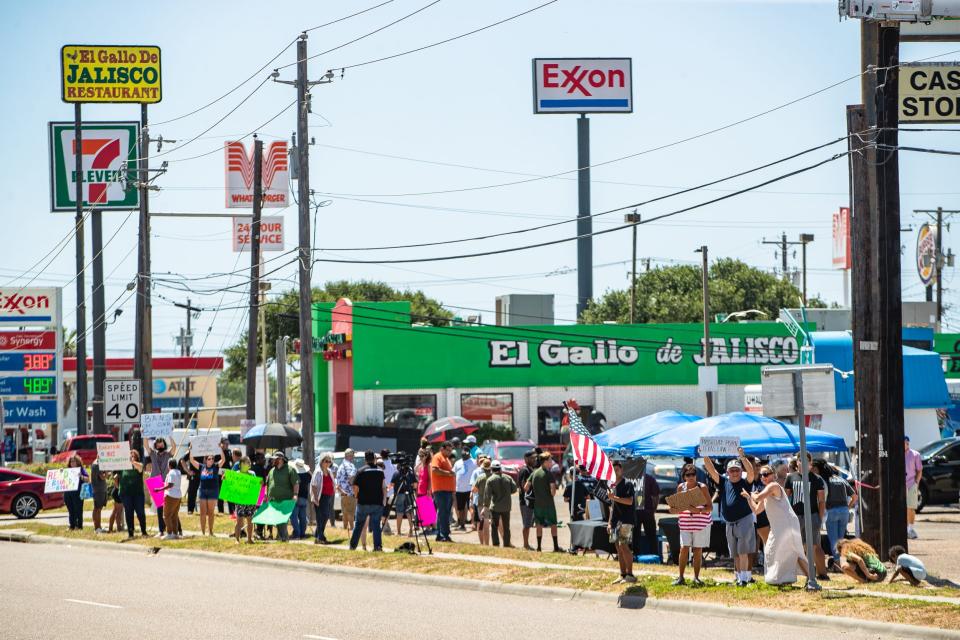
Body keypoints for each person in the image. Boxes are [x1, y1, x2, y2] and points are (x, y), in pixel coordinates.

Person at [742, 464, 809, 586]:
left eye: (766, 474)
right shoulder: (767, 490)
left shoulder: (773, 486)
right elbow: (757, 510)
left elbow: (757, 497)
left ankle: (810, 579)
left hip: (787, 524)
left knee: (794, 551)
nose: (763, 477)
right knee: (771, 550)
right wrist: (748, 498)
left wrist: (751, 493)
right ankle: (781, 579)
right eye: (762, 475)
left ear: (773, 475)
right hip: (778, 526)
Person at [704, 448, 756, 586]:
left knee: (743, 551)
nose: (734, 473)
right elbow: (711, 470)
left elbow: (751, 473)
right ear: (727, 472)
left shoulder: (746, 482)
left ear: (740, 471)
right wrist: (705, 455)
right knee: (735, 554)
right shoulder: (724, 481)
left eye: (737, 470)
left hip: (744, 519)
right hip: (729, 522)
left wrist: (743, 457)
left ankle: (744, 579)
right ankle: (739, 578)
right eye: (732, 470)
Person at [786, 454, 828, 579]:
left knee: (814, 546)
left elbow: (821, 501)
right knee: (800, 546)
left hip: (812, 515)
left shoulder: (816, 478)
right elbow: (787, 499)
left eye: (807, 460)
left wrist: (820, 518)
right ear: (797, 462)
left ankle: (822, 573)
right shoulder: (791, 478)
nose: (803, 463)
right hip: (796, 516)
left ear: (810, 463)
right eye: (801, 460)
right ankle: (810, 573)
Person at [671, 463, 712, 586]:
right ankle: (681, 577)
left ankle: (696, 577)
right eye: (688, 475)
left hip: (700, 523)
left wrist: (698, 510)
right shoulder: (680, 487)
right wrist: (673, 508)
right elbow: (676, 507)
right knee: (684, 549)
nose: (691, 477)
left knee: (697, 550)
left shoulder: (702, 487)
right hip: (685, 523)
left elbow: (709, 507)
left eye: (693, 474)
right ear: (684, 476)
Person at [818, 460, 857, 570]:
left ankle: (837, 564)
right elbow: (855, 497)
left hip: (831, 511)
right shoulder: (842, 480)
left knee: (834, 540)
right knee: (841, 539)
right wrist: (847, 508)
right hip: (844, 511)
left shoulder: (825, 481)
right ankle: (843, 561)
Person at [524, 452, 561, 553]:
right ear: (545, 462)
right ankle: (556, 547)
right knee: (553, 524)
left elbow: (526, 487)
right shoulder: (549, 474)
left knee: (539, 525)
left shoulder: (534, 473)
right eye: (549, 460)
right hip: (549, 504)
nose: (551, 462)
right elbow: (553, 492)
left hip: (538, 504)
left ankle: (539, 547)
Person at [350, 450, 386, 551]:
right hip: (377, 502)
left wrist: (356, 497)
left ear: (365, 460)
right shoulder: (380, 471)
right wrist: (384, 499)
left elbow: (355, 487)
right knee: (376, 526)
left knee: (359, 525)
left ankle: (353, 546)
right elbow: (383, 487)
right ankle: (377, 547)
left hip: (363, 502)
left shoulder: (361, 471)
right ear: (374, 459)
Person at [608, 461, 637, 584]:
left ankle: (630, 574)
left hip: (626, 520)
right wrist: (609, 522)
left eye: (617, 469)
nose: (615, 472)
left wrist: (614, 497)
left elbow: (630, 501)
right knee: (618, 548)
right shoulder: (612, 486)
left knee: (623, 545)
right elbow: (612, 506)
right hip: (615, 521)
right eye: (613, 470)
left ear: (621, 470)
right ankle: (622, 574)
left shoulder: (628, 484)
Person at [189, 449, 226, 536]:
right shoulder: (202, 466)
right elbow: (191, 460)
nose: (211, 460)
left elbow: (223, 460)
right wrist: (192, 449)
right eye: (209, 459)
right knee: (202, 513)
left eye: (213, 458)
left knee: (210, 512)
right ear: (205, 460)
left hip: (213, 491)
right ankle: (203, 532)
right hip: (202, 491)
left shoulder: (216, 466)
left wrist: (219, 448)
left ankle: (210, 531)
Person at [146, 437, 176, 536]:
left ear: (164, 444)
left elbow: (174, 447)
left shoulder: (168, 454)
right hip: (155, 482)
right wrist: (144, 434)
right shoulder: (153, 454)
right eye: (158, 444)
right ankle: (161, 530)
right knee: (159, 508)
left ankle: (175, 529)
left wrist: (170, 435)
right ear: (155, 445)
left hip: (166, 482)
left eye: (161, 443)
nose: (160, 445)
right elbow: (145, 445)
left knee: (168, 507)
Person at [483, 460, 517, 547]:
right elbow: (514, 489)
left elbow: (487, 496)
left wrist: (485, 507)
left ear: (492, 469)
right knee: (506, 527)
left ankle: (496, 544)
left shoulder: (490, 480)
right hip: (506, 507)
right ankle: (506, 544)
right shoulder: (508, 478)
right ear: (500, 468)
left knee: (494, 526)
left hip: (495, 507)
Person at [266, 451, 298, 542]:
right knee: (277, 519)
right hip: (273, 500)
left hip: (285, 500)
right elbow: (267, 484)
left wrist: (295, 495)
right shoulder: (271, 471)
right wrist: (265, 495)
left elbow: (296, 483)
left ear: (280, 460)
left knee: (282, 519)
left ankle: (284, 538)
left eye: (274, 459)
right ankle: (281, 537)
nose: (272, 461)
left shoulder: (290, 469)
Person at [430, 441, 456, 542]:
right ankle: (444, 535)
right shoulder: (438, 457)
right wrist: (449, 473)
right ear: (442, 449)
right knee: (443, 513)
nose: (449, 452)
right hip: (441, 490)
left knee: (444, 513)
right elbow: (435, 470)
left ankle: (440, 534)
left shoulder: (446, 458)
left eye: (450, 450)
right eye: (448, 450)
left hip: (447, 491)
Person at [119, 450, 148, 539]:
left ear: (136, 457)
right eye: (130, 455)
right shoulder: (122, 466)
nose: (131, 456)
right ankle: (130, 533)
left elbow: (140, 468)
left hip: (137, 494)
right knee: (129, 513)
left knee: (140, 513)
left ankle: (143, 531)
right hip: (126, 494)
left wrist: (132, 462)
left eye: (133, 455)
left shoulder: (139, 465)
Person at [310, 453, 336, 544]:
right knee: (321, 517)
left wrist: (334, 490)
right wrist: (316, 499)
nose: (328, 463)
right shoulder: (318, 472)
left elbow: (333, 483)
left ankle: (318, 536)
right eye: (326, 461)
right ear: (321, 462)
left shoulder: (329, 471)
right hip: (321, 497)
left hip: (329, 496)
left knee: (325, 516)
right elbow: (313, 486)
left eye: (330, 461)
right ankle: (320, 537)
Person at [636, 465, 660, 553]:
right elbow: (656, 497)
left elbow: (655, 496)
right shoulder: (650, 479)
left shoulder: (631, 479)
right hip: (648, 511)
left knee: (635, 536)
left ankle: (636, 555)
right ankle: (655, 555)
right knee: (651, 536)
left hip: (636, 512)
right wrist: (654, 509)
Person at [391, 457, 417, 537]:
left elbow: (392, 485)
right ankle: (411, 532)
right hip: (409, 493)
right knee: (409, 512)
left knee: (399, 512)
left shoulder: (396, 473)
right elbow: (415, 485)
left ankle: (398, 532)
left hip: (399, 494)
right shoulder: (411, 473)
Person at [517, 450, 537, 550]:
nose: (534, 459)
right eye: (532, 458)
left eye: (535, 458)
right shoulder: (524, 470)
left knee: (529, 524)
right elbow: (523, 486)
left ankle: (527, 544)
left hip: (531, 501)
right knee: (526, 524)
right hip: (525, 501)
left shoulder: (531, 469)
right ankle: (525, 544)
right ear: (526, 459)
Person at [63, 454, 89, 530]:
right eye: (71, 462)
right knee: (71, 510)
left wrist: (81, 476)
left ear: (78, 462)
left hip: (78, 492)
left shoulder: (81, 469)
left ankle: (79, 526)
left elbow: (87, 479)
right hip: (68, 493)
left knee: (78, 509)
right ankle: (72, 525)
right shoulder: (67, 470)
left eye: (74, 461)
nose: (72, 463)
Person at [453, 449, 477, 530]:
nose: (463, 456)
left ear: (469, 454)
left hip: (470, 489)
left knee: (471, 507)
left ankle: (474, 524)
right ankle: (462, 525)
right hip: (459, 489)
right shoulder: (457, 462)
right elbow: (453, 473)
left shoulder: (474, 462)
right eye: (462, 454)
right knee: (460, 509)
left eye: (465, 454)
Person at [905, 436, 923, 540]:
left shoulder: (915, 454)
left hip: (911, 483)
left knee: (911, 507)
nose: (906, 444)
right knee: (902, 507)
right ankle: (904, 528)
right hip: (900, 484)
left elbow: (919, 470)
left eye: (907, 442)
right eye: (904, 442)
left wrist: (916, 482)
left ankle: (910, 528)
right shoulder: (897, 453)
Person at [472, 458, 493, 545]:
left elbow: (474, 490)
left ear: (483, 468)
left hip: (482, 502)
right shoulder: (493, 476)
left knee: (483, 523)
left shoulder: (480, 477)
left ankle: (485, 543)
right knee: (491, 522)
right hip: (492, 502)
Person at [337, 448, 358, 533]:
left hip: (343, 493)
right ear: (349, 455)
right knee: (350, 512)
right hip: (349, 492)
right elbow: (351, 477)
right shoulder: (349, 465)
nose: (353, 457)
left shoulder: (341, 466)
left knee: (345, 513)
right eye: (352, 455)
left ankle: (345, 529)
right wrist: (355, 487)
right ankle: (352, 529)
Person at [290, 458, 312, 540]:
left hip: (296, 496)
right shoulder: (306, 474)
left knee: (294, 516)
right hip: (304, 497)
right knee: (303, 517)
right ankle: (302, 533)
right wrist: (308, 469)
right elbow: (312, 476)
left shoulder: (294, 473)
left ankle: (297, 533)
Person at [162, 458, 183, 540]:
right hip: (178, 496)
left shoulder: (171, 473)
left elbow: (170, 485)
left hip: (170, 496)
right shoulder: (178, 472)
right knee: (174, 516)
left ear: (169, 465)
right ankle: (175, 533)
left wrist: (160, 489)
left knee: (166, 516)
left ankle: (169, 533)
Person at [90, 457, 108, 533]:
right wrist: (107, 472)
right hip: (99, 490)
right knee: (97, 509)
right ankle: (97, 528)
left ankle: (98, 527)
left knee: (98, 509)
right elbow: (103, 477)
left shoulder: (95, 463)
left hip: (97, 489)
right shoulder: (97, 465)